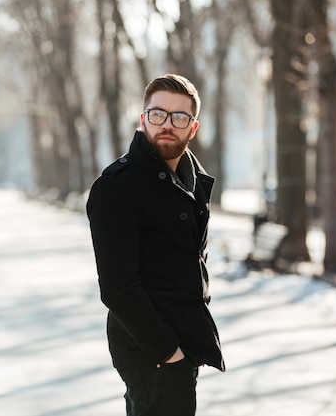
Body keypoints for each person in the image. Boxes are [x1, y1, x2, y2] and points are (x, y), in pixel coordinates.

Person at [86, 74, 225, 416]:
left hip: (183, 344)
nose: (167, 124)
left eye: (179, 117)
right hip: (151, 351)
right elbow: (118, 288)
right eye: (158, 113)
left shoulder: (192, 181)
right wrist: (168, 352)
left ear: (192, 128)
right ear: (143, 118)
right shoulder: (117, 186)